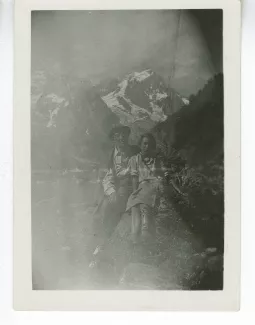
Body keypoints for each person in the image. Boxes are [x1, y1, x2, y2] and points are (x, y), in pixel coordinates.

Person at [88, 125, 139, 268]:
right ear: (114, 139)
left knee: (119, 217)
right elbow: (107, 177)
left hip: (134, 188)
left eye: (124, 135)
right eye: (118, 135)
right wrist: (111, 193)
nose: (122, 138)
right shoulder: (111, 155)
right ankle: (100, 248)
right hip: (117, 191)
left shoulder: (135, 151)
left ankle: (113, 252)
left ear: (128, 137)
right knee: (101, 212)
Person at [126, 133, 169, 244]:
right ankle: (135, 233)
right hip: (141, 188)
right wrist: (135, 192)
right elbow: (134, 177)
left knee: (142, 200)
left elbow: (163, 176)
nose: (147, 147)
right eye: (144, 144)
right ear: (140, 145)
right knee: (135, 203)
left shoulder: (157, 161)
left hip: (154, 187)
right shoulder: (134, 160)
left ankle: (145, 230)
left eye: (150, 144)